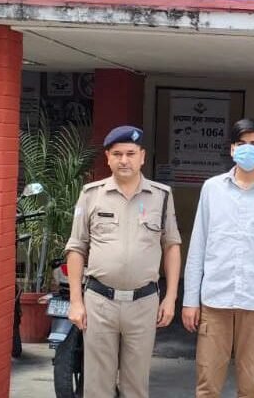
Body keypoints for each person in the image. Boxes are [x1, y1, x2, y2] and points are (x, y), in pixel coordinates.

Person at [182, 118, 254, 398]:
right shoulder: (212, 189)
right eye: (242, 144)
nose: (248, 149)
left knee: (251, 386)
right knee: (207, 385)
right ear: (232, 149)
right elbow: (198, 247)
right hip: (215, 301)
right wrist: (190, 300)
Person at [64, 125, 182, 398]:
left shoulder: (161, 196)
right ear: (108, 157)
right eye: (117, 154)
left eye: (130, 153)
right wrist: (76, 301)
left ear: (142, 156)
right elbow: (76, 248)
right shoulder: (91, 195)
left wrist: (171, 297)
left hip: (143, 303)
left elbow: (172, 246)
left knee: (136, 385)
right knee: (97, 386)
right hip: (99, 302)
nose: (124, 160)